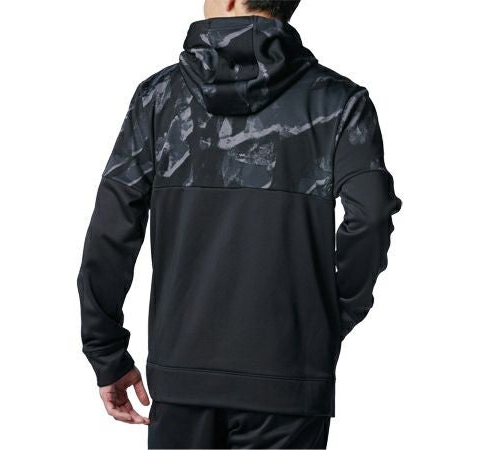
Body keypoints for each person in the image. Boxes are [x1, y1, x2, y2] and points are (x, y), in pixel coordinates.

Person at [77, 0, 402, 448]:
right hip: (289, 378)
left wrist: (107, 352)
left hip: (183, 374)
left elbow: (111, 230)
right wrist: (329, 316)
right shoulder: (340, 102)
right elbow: (372, 215)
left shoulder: (158, 99)